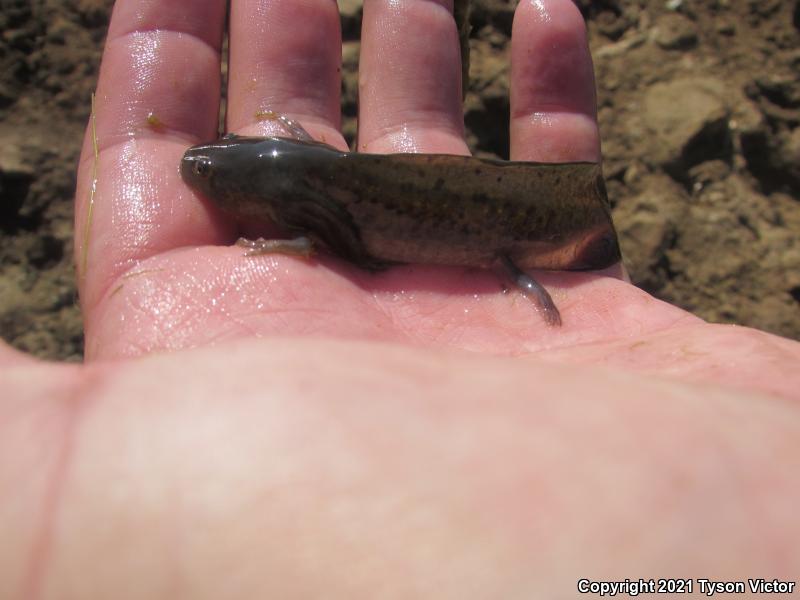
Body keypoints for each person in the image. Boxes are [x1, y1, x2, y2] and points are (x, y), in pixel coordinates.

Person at [3, 0, 799, 596]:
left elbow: (327, 237)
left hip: (505, 231)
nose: (204, 165)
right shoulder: (309, 188)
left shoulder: (308, 208)